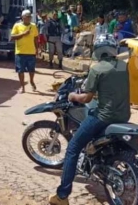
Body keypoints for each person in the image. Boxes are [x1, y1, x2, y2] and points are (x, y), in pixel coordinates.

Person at [48, 36, 130, 205]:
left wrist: (72, 95)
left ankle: (62, 196)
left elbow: (86, 98)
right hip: (123, 115)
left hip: (103, 117)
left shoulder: (97, 69)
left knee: (72, 148)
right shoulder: (123, 66)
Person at [11, 10, 39, 93]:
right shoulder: (17, 26)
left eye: (30, 16)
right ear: (23, 17)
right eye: (27, 16)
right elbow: (12, 37)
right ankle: (22, 86)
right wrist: (23, 34)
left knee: (31, 70)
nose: (29, 18)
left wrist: (37, 49)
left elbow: (35, 38)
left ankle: (31, 81)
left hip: (31, 52)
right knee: (20, 70)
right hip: (20, 52)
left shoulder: (33, 26)